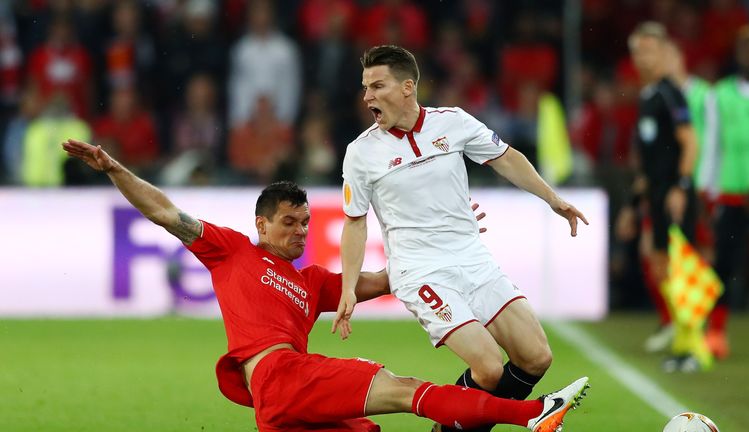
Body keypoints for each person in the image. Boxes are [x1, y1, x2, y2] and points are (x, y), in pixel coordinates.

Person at [61, 138, 590, 432]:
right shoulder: (232, 251)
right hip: (281, 374)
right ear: (261, 224)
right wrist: (113, 169)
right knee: (408, 390)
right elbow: (164, 211)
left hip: (280, 405)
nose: (299, 232)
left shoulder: (312, 282)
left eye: (305, 224)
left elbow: (389, 278)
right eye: (288, 223)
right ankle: (531, 415)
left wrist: (444, 233)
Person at [335, 45, 589, 432]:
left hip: (472, 258)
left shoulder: (451, 122)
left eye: (377, 85)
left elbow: (505, 157)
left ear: (408, 87)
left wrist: (552, 199)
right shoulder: (361, 152)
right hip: (420, 272)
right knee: (487, 367)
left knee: (535, 356)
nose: (367, 95)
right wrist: (348, 286)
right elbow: (355, 223)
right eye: (365, 87)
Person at [622, 22, 698, 363]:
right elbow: (650, 161)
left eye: (650, 50)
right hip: (656, 192)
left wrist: (681, 187)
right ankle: (682, 338)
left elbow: (689, 142)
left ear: (663, 53)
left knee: (681, 268)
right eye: (639, 51)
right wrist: (632, 204)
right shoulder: (648, 95)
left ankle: (691, 345)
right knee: (661, 264)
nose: (644, 57)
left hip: (672, 192)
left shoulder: (669, 92)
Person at [700, 24, 749, 361]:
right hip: (730, 192)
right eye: (744, 48)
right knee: (723, 267)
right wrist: (705, 190)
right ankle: (715, 334)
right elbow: (712, 146)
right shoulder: (720, 95)